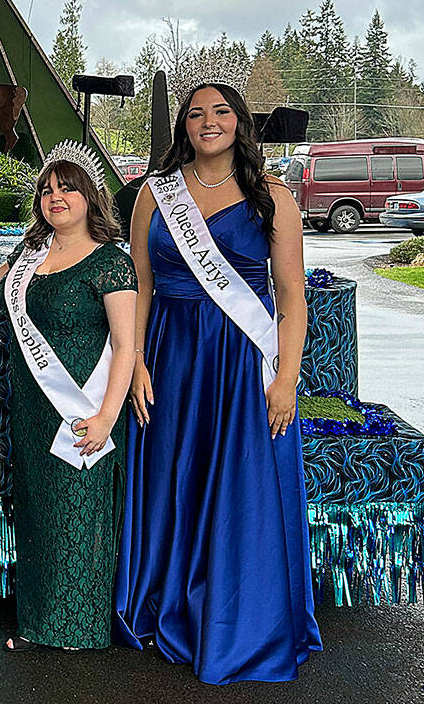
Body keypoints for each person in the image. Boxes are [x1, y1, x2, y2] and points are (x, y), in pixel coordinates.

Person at [115, 71, 322, 683]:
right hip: (170, 355)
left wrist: (285, 380)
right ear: (184, 125)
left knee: (237, 483)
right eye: (196, 112)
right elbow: (140, 287)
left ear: (240, 123)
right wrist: (135, 365)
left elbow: (291, 297)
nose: (209, 121)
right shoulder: (156, 193)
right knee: (170, 477)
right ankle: (164, 603)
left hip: (239, 360)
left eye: (222, 111)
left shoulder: (272, 196)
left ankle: (238, 620)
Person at [0, 140, 137, 652]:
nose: (56, 197)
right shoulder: (26, 256)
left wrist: (105, 417)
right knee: (39, 512)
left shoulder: (112, 263)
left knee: (81, 509)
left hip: (88, 406)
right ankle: (36, 622)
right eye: (48, 189)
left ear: (90, 197)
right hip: (33, 409)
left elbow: (125, 346)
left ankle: (79, 625)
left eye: (68, 188)